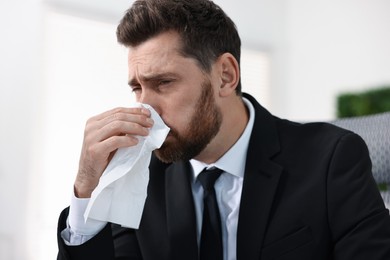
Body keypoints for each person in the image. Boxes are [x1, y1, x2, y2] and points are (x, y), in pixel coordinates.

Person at [56, 0, 390, 259]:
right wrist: (87, 191)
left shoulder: (330, 159)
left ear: (225, 76)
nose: (146, 108)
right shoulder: (141, 177)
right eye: (137, 88)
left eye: (164, 82)